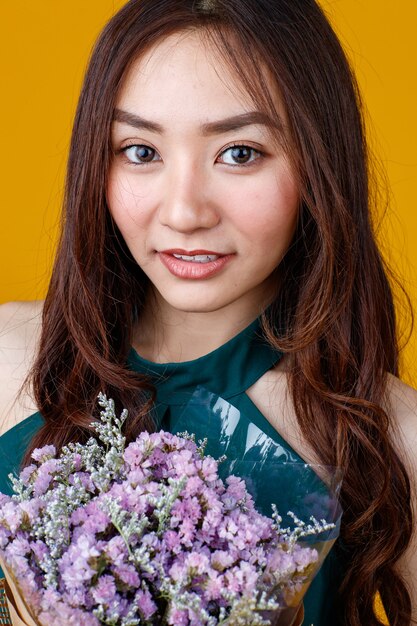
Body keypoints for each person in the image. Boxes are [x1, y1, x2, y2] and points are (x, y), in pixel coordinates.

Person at [0, 0, 416, 624]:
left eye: (240, 153)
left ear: (317, 164)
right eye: (140, 151)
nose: (184, 211)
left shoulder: (392, 439)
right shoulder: (9, 356)